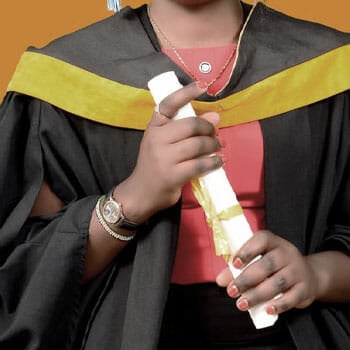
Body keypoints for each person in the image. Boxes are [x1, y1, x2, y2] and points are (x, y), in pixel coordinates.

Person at [0, 0, 350, 348]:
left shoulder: (333, 67)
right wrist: (133, 198)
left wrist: (315, 274)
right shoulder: (59, 80)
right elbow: (22, 275)